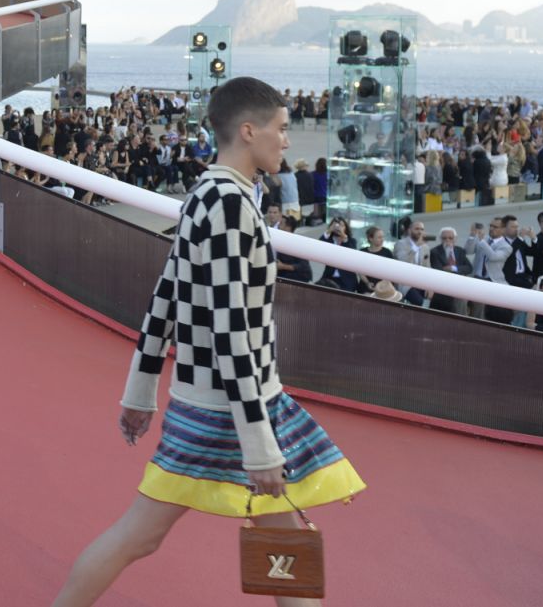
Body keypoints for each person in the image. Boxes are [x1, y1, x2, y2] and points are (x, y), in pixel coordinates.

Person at [51, 77, 364, 607]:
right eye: (281, 129)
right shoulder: (229, 204)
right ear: (248, 131)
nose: (287, 141)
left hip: (223, 403)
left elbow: (164, 299)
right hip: (230, 409)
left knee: (258, 540)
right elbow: (229, 328)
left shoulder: (214, 194)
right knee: (143, 536)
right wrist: (259, 447)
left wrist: (139, 393)